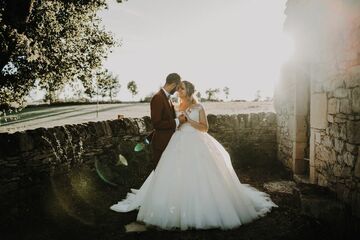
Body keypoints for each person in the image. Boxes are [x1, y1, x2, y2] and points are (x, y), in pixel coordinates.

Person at [110, 81, 278, 230]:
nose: (178, 90)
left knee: (203, 173)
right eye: (178, 88)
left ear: (188, 91)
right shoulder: (174, 106)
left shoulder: (199, 107)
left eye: (181, 88)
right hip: (178, 142)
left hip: (197, 141)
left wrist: (188, 121)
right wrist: (177, 123)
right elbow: (172, 125)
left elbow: (205, 128)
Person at [147, 73, 187, 169]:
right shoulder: (158, 97)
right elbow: (156, 123)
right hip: (161, 144)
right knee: (160, 173)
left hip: (169, 143)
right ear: (173, 84)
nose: (178, 90)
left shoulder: (168, 98)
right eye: (177, 87)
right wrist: (177, 121)